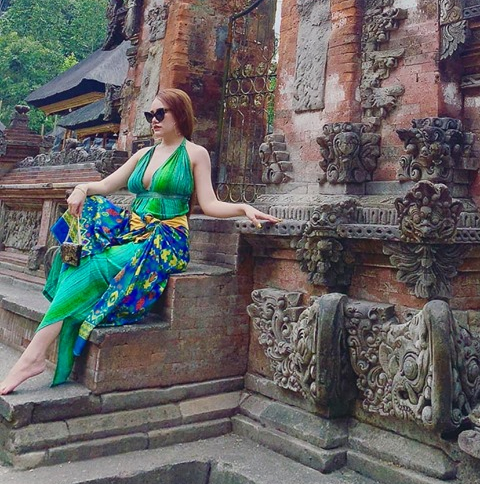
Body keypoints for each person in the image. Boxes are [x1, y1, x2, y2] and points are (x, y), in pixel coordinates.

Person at [0, 88, 279, 395]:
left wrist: (243, 208)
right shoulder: (143, 155)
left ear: (179, 115)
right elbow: (105, 185)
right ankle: (35, 356)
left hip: (166, 241)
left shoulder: (194, 154)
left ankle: (32, 357)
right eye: (149, 115)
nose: (153, 120)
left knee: (91, 266)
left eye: (160, 114)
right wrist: (81, 188)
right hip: (133, 232)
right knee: (80, 254)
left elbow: (209, 204)